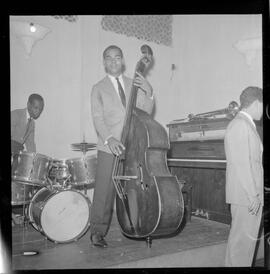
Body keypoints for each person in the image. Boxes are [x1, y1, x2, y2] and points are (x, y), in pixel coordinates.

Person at [90, 45, 154, 247]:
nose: (113, 61)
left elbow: (145, 112)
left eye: (117, 58)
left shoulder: (133, 83)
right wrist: (110, 139)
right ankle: (97, 232)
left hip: (132, 145)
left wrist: (149, 92)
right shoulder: (98, 88)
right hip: (109, 146)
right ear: (104, 62)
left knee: (134, 187)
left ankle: (136, 224)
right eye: (108, 58)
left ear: (123, 60)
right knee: (104, 191)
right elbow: (98, 118)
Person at [224, 86, 263, 266]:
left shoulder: (245, 124)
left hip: (248, 196)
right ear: (256, 103)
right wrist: (252, 194)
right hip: (246, 197)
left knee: (244, 247)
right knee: (241, 247)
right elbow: (241, 164)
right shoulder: (240, 124)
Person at [11, 93, 44, 225]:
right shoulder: (15, 115)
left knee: (20, 182)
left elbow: (30, 144)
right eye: (36, 108)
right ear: (28, 105)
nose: (38, 111)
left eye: (40, 109)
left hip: (17, 152)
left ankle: (17, 214)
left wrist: (34, 160)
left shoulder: (32, 124)